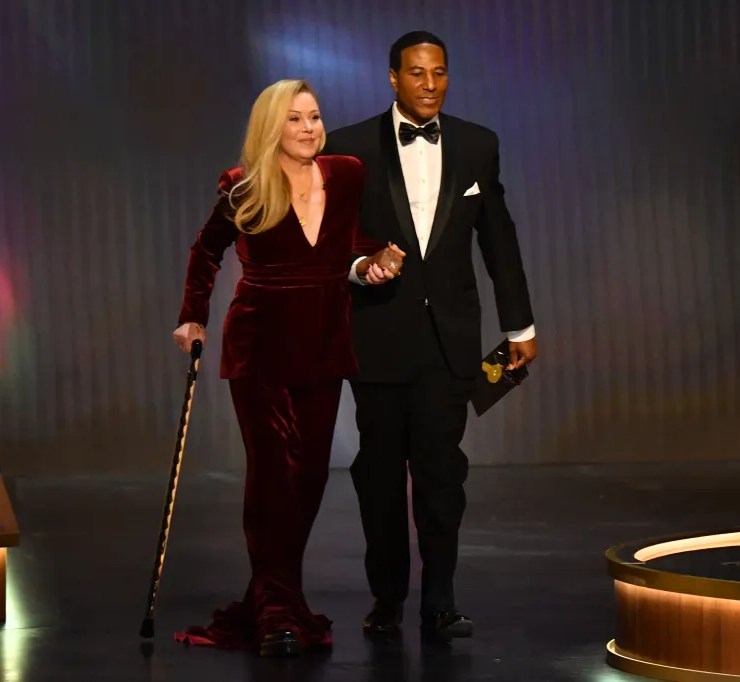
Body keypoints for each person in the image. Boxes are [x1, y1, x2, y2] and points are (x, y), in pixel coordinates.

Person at [170, 79, 403, 657]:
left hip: (324, 344)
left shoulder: (345, 174)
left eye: (315, 117)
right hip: (261, 348)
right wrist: (192, 317)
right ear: (272, 127)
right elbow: (207, 249)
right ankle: (277, 614)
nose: (308, 128)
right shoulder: (243, 185)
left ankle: (273, 596)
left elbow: (350, 244)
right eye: (295, 119)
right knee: (273, 478)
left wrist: (374, 262)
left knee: (310, 479)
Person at [325, 31, 538, 640]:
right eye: (416, 73)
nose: (429, 84)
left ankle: (439, 599)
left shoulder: (477, 144)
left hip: (450, 343)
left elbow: (499, 241)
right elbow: (333, 243)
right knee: (381, 475)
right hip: (379, 338)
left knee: (443, 474)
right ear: (393, 77)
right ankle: (387, 596)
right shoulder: (350, 147)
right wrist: (360, 269)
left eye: (439, 73)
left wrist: (519, 325)